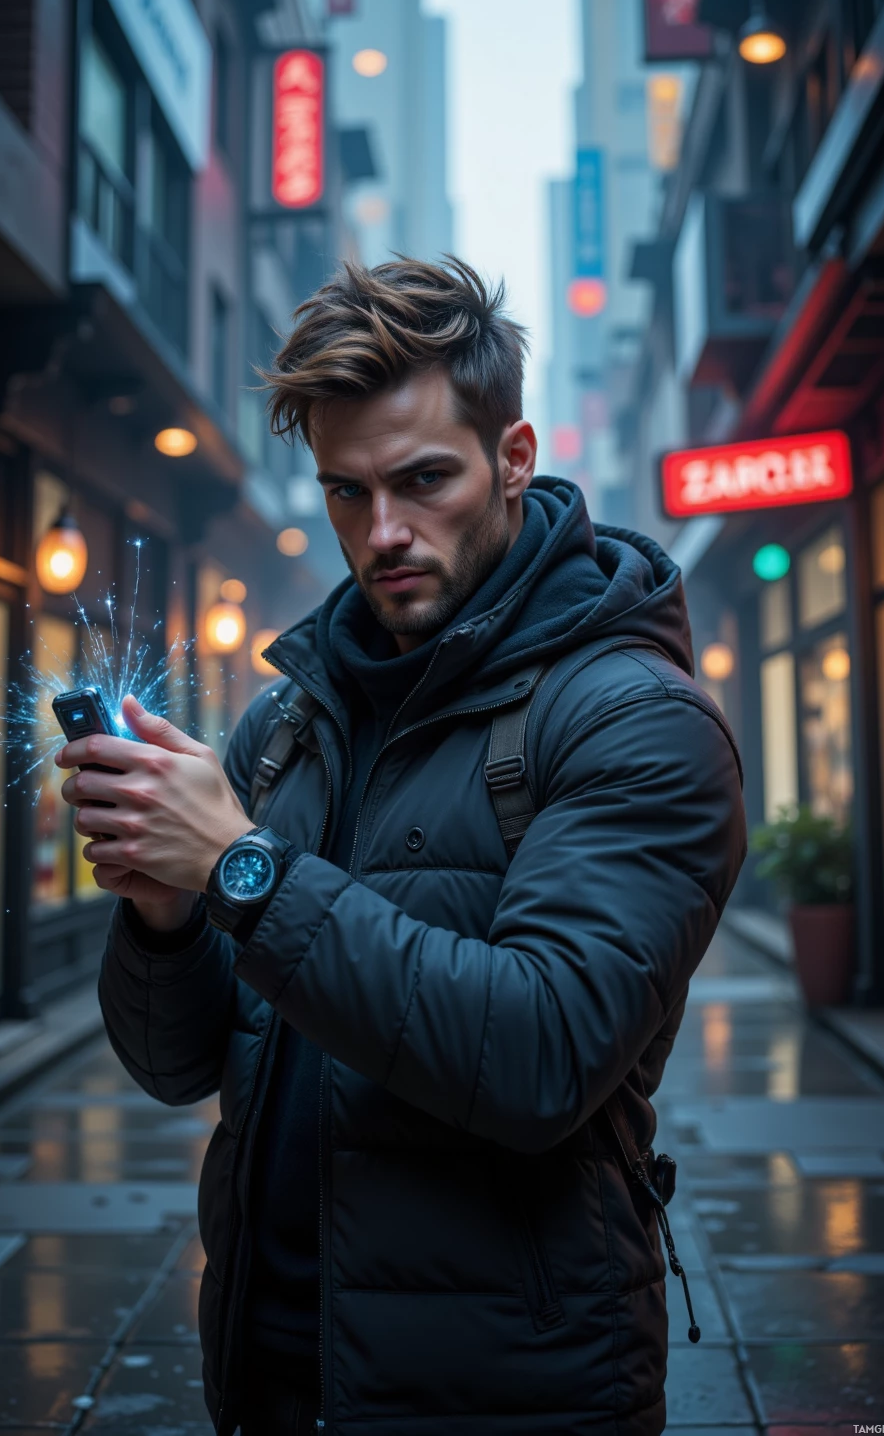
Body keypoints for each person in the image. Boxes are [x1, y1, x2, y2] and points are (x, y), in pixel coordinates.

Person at [60, 257, 746, 1436]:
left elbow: (539, 1057)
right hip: (271, 1370)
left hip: (506, 1388)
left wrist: (240, 870)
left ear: (513, 458)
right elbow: (178, 1067)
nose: (382, 533)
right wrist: (164, 907)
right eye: (345, 492)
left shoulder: (637, 719)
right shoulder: (290, 722)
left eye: (423, 479)